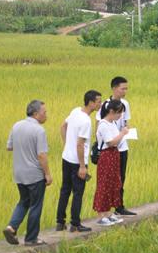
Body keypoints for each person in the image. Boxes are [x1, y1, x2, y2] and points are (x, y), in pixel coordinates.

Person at [3, 100, 53, 246]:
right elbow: (42, 155)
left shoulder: (17, 125)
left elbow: (9, 147)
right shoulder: (39, 130)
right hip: (34, 174)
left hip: (19, 173)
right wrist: (48, 174)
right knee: (36, 205)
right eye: (44, 112)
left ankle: (11, 227)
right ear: (36, 114)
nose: (46, 115)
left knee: (24, 201)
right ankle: (31, 238)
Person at [56, 90, 101, 233]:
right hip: (77, 161)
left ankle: (60, 222)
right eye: (99, 101)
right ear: (91, 103)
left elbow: (63, 126)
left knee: (65, 190)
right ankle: (75, 224)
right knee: (77, 192)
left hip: (66, 157)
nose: (100, 104)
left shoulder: (75, 111)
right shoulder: (86, 121)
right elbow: (80, 144)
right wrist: (82, 166)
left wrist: (66, 145)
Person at [98, 76, 136, 215]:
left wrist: (127, 132)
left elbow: (126, 123)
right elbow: (101, 124)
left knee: (121, 178)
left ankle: (119, 206)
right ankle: (108, 211)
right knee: (109, 180)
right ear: (114, 88)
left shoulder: (125, 104)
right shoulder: (106, 105)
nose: (125, 91)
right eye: (122, 88)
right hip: (110, 147)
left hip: (122, 146)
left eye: (126, 88)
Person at [94, 99, 130, 226]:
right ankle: (101, 215)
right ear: (111, 111)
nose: (120, 116)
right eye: (119, 113)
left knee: (113, 184)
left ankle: (108, 213)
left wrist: (123, 135)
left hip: (114, 155)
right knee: (104, 184)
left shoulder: (112, 123)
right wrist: (123, 133)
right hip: (107, 156)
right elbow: (110, 142)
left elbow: (116, 142)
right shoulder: (103, 124)